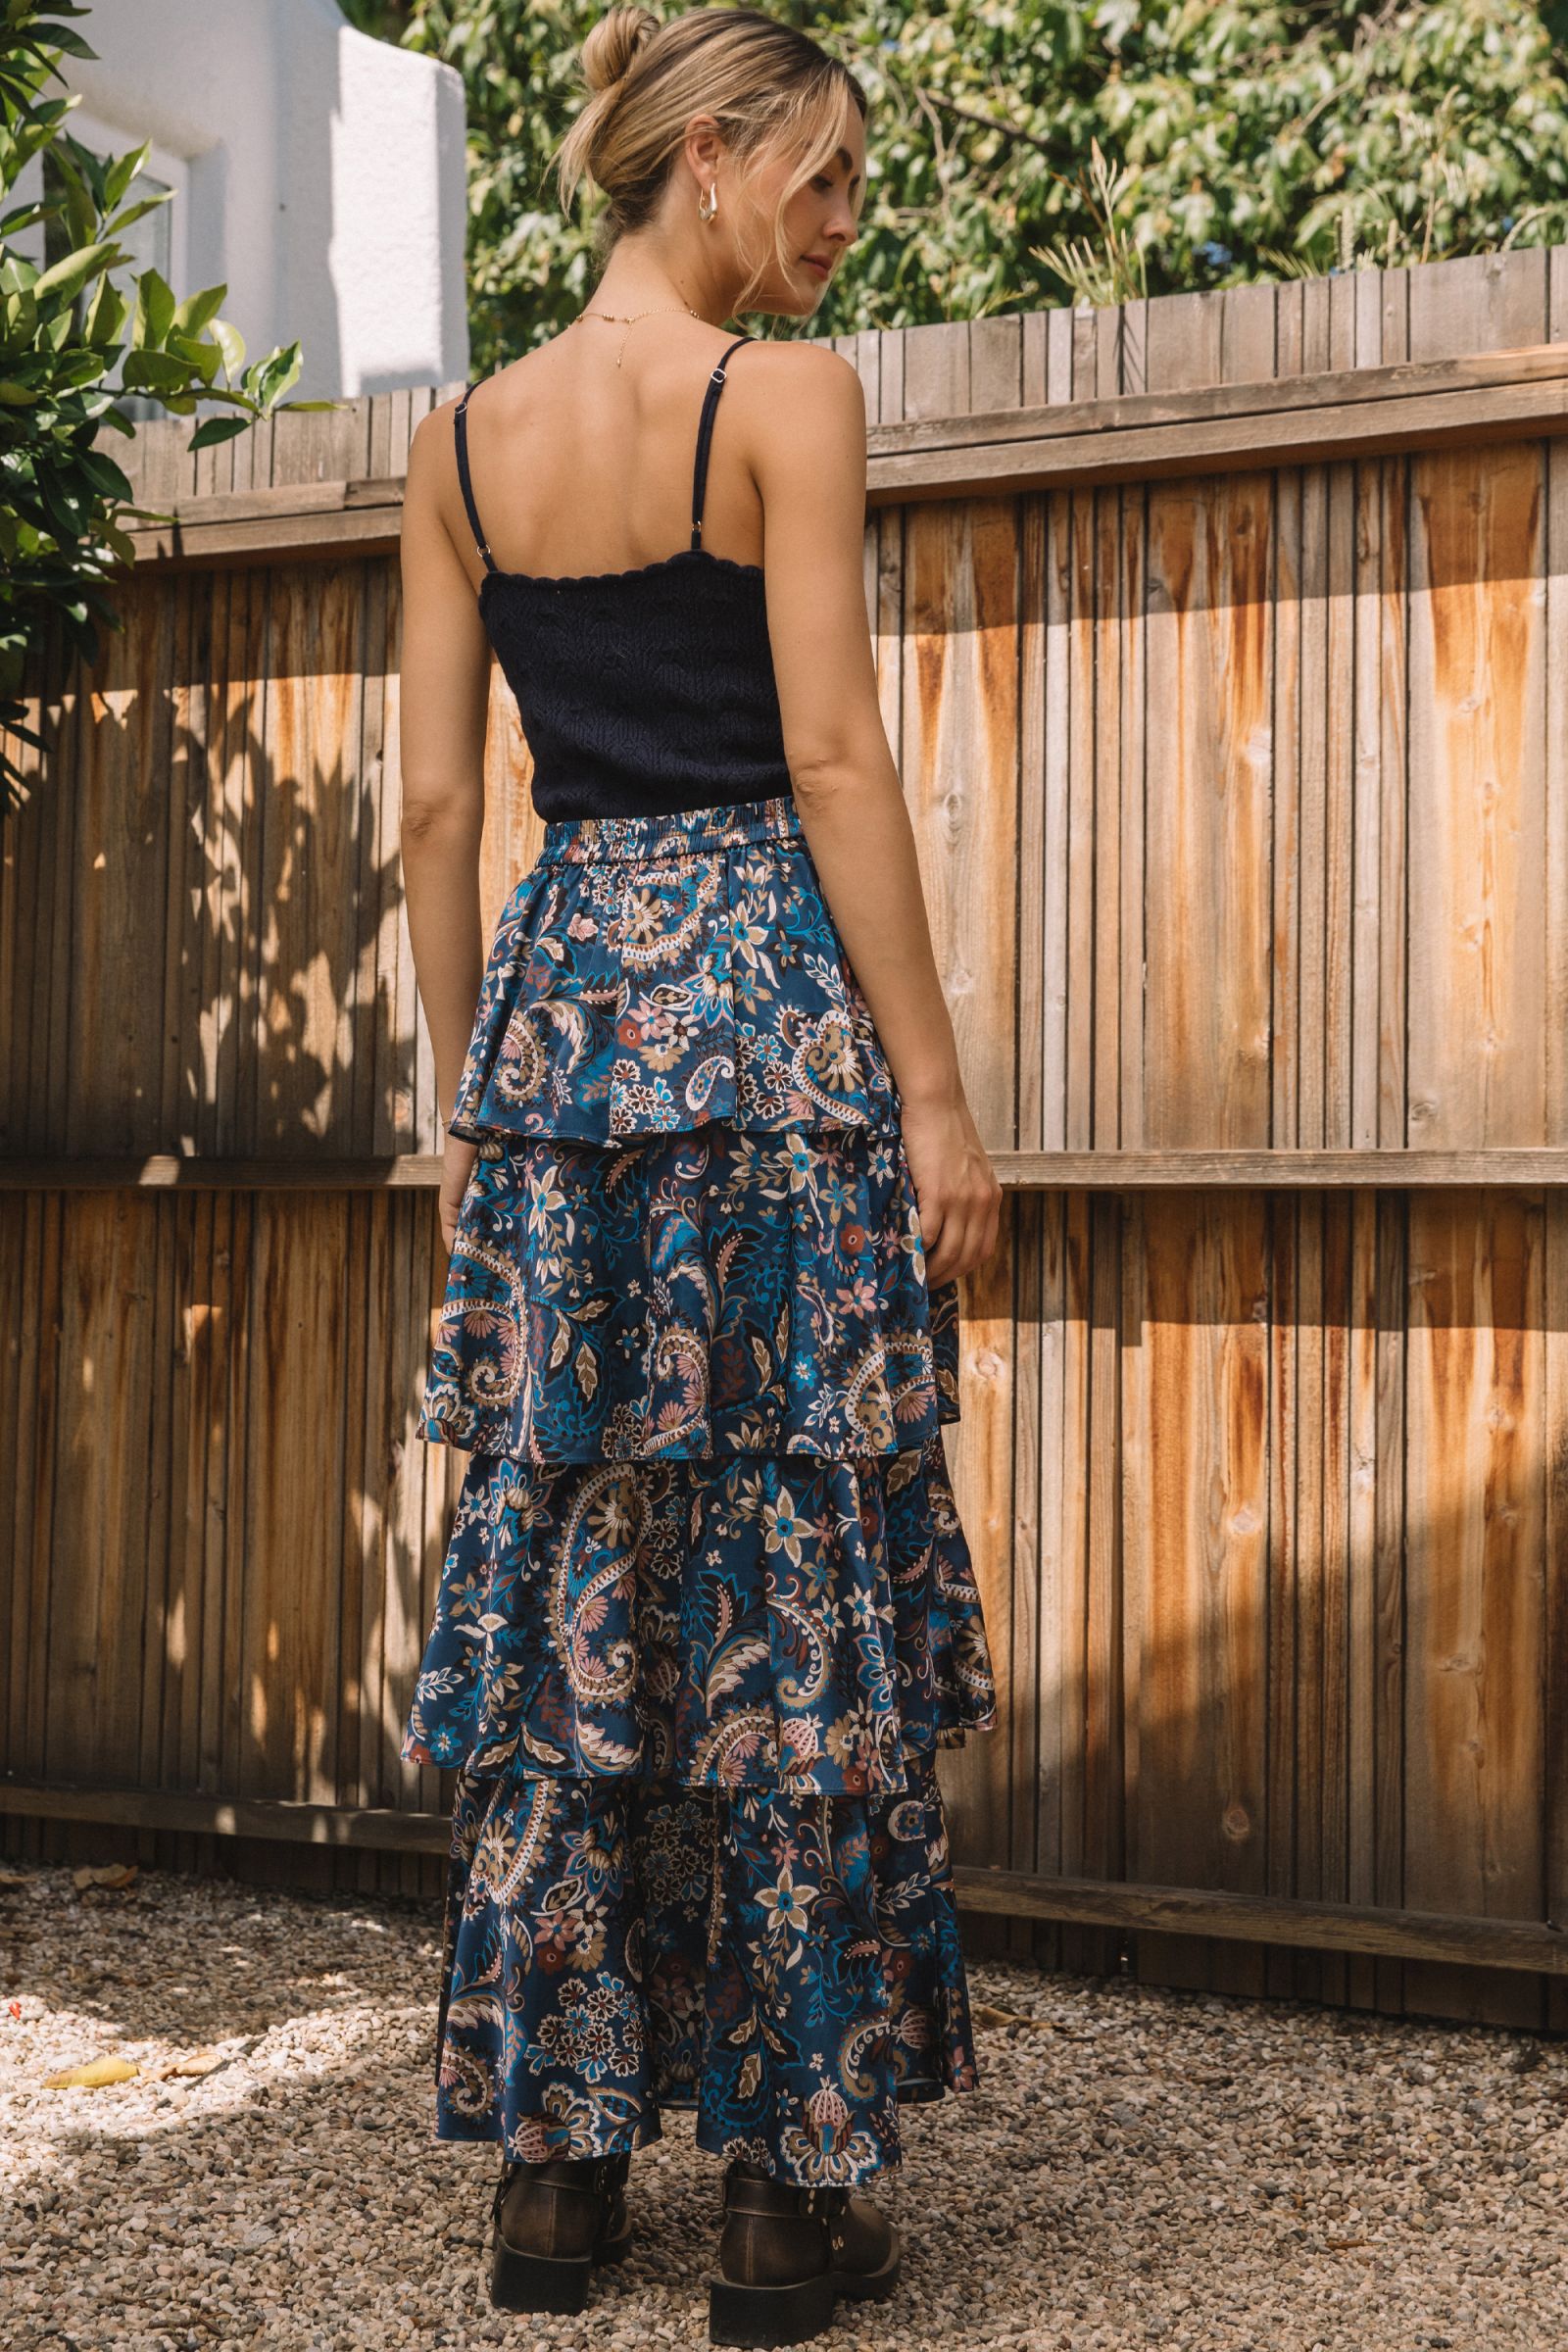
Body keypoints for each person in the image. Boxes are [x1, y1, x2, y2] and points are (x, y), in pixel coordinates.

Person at [395, 7, 1002, 2344]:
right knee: (775, 1583)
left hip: (560, 1030)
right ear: (714, 156)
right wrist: (931, 1100)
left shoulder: (460, 444)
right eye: (821, 175)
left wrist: (480, 1110)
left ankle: (554, 2184)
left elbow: (435, 812)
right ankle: (775, 2195)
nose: (843, 221)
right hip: (756, 1021)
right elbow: (831, 753)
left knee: (577, 1575)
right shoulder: (783, 402)